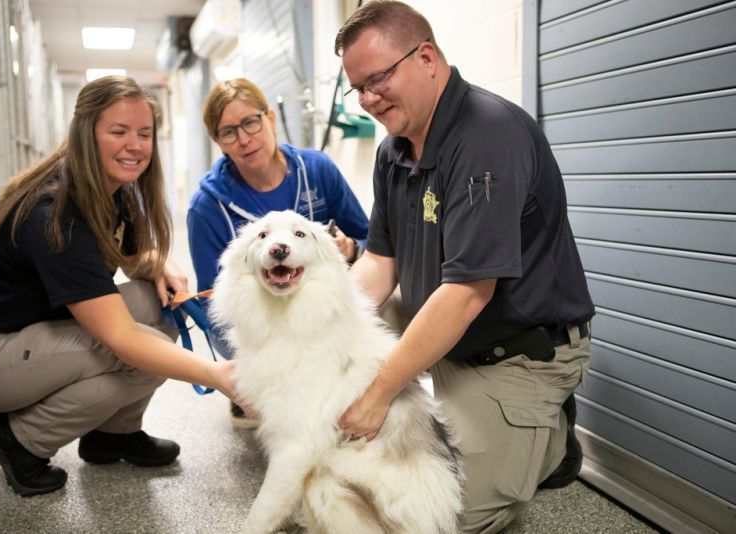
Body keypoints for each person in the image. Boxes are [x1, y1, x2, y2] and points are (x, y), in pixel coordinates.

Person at [333, 2, 595, 532]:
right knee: (340, 362)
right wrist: (325, 332)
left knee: (441, 518)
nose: (367, 99)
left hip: (515, 350)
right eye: (356, 88)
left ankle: (543, 440)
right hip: (445, 327)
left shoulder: (487, 135)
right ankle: (491, 428)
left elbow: (468, 294)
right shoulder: (394, 151)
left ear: (426, 57)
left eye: (378, 79)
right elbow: (380, 264)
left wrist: (377, 394)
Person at [0, 76, 237, 497]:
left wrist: (159, 263)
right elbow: (121, 335)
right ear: (86, 134)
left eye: (144, 133)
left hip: (38, 338)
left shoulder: (112, 193)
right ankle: (21, 439)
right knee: (131, 350)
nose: (134, 145)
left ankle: (113, 435)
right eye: (118, 131)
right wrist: (219, 374)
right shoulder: (54, 211)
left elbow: (131, 257)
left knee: (158, 311)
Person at [187, 78, 369, 427]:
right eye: (228, 132)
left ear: (270, 118)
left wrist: (350, 248)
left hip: (317, 315)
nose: (243, 139)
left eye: (250, 122)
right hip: (257, 323)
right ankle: (261, 392)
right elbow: (211, 298)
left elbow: (370, 238)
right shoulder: (207, 207)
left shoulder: (317, 170)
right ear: (218, 142)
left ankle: (345, 395)